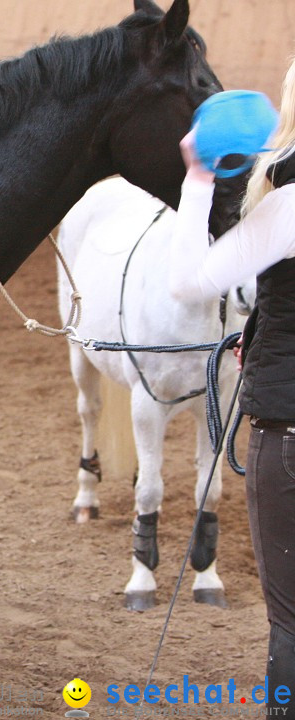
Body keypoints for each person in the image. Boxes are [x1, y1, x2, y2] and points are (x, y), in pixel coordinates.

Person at [169, 60, 295, 716]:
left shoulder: (285, 207)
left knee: (292, 618)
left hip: (290, 431)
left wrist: (196, 178)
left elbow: (189, 279)